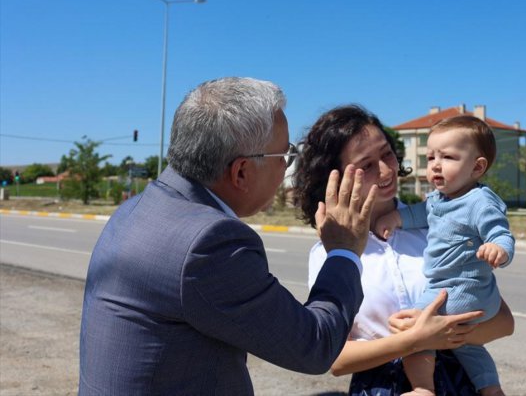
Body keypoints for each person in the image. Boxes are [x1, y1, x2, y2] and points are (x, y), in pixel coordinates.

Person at [79, 77, 378, 395]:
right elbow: (314, 346)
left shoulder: (137, 208)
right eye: (284, 155)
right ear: (241, 172)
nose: (286, 167)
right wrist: (344, 250)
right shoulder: (208, 244)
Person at [293, 105, 514, 396]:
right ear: (336, 177)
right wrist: (414, 340)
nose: (386, 171)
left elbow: (503, 322)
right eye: (366, 165)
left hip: (461, 383)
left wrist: (442, 334)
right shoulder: (330, 253)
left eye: (387, 154)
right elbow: (335, 359)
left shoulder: (439, 224)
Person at [374, 115, 515, 396]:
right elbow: (419, 214)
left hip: (458, 290)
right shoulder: (440, 199)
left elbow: (502, 234)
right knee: (469, 347)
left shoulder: (479, 201)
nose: (436, 165)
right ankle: (492, 389)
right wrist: (396, 218)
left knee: (416, 330)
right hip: (473, 294)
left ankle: (422, 388)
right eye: (431, 157)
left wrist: (498, 249)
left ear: (477, 167)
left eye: (448, 157)